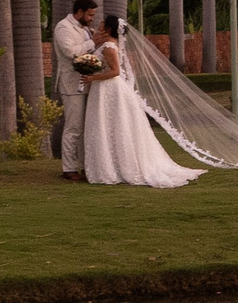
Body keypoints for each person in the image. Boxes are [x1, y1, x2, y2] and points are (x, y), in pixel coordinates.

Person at [81, 15, 205, 188]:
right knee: (108, 125)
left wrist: (92, 78)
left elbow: (115, 71)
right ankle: (111, 164)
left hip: (108, 88)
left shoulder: (109, 46)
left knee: (109, 124)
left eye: (102, 22)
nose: (99, 23)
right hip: (105, 89)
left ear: (108, 28)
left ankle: (114, 167)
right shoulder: (107, 44)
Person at [52, 0, 99, 180]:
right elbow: (70, 52)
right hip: (71, 85)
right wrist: (92, 42)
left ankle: (84, 165)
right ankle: (69, 168)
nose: (92, 18)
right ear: (79, 11)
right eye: (90, 14)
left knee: (85, 127)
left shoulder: (84, 28)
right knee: (73, 127)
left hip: (87, 82)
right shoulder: (63, 27)